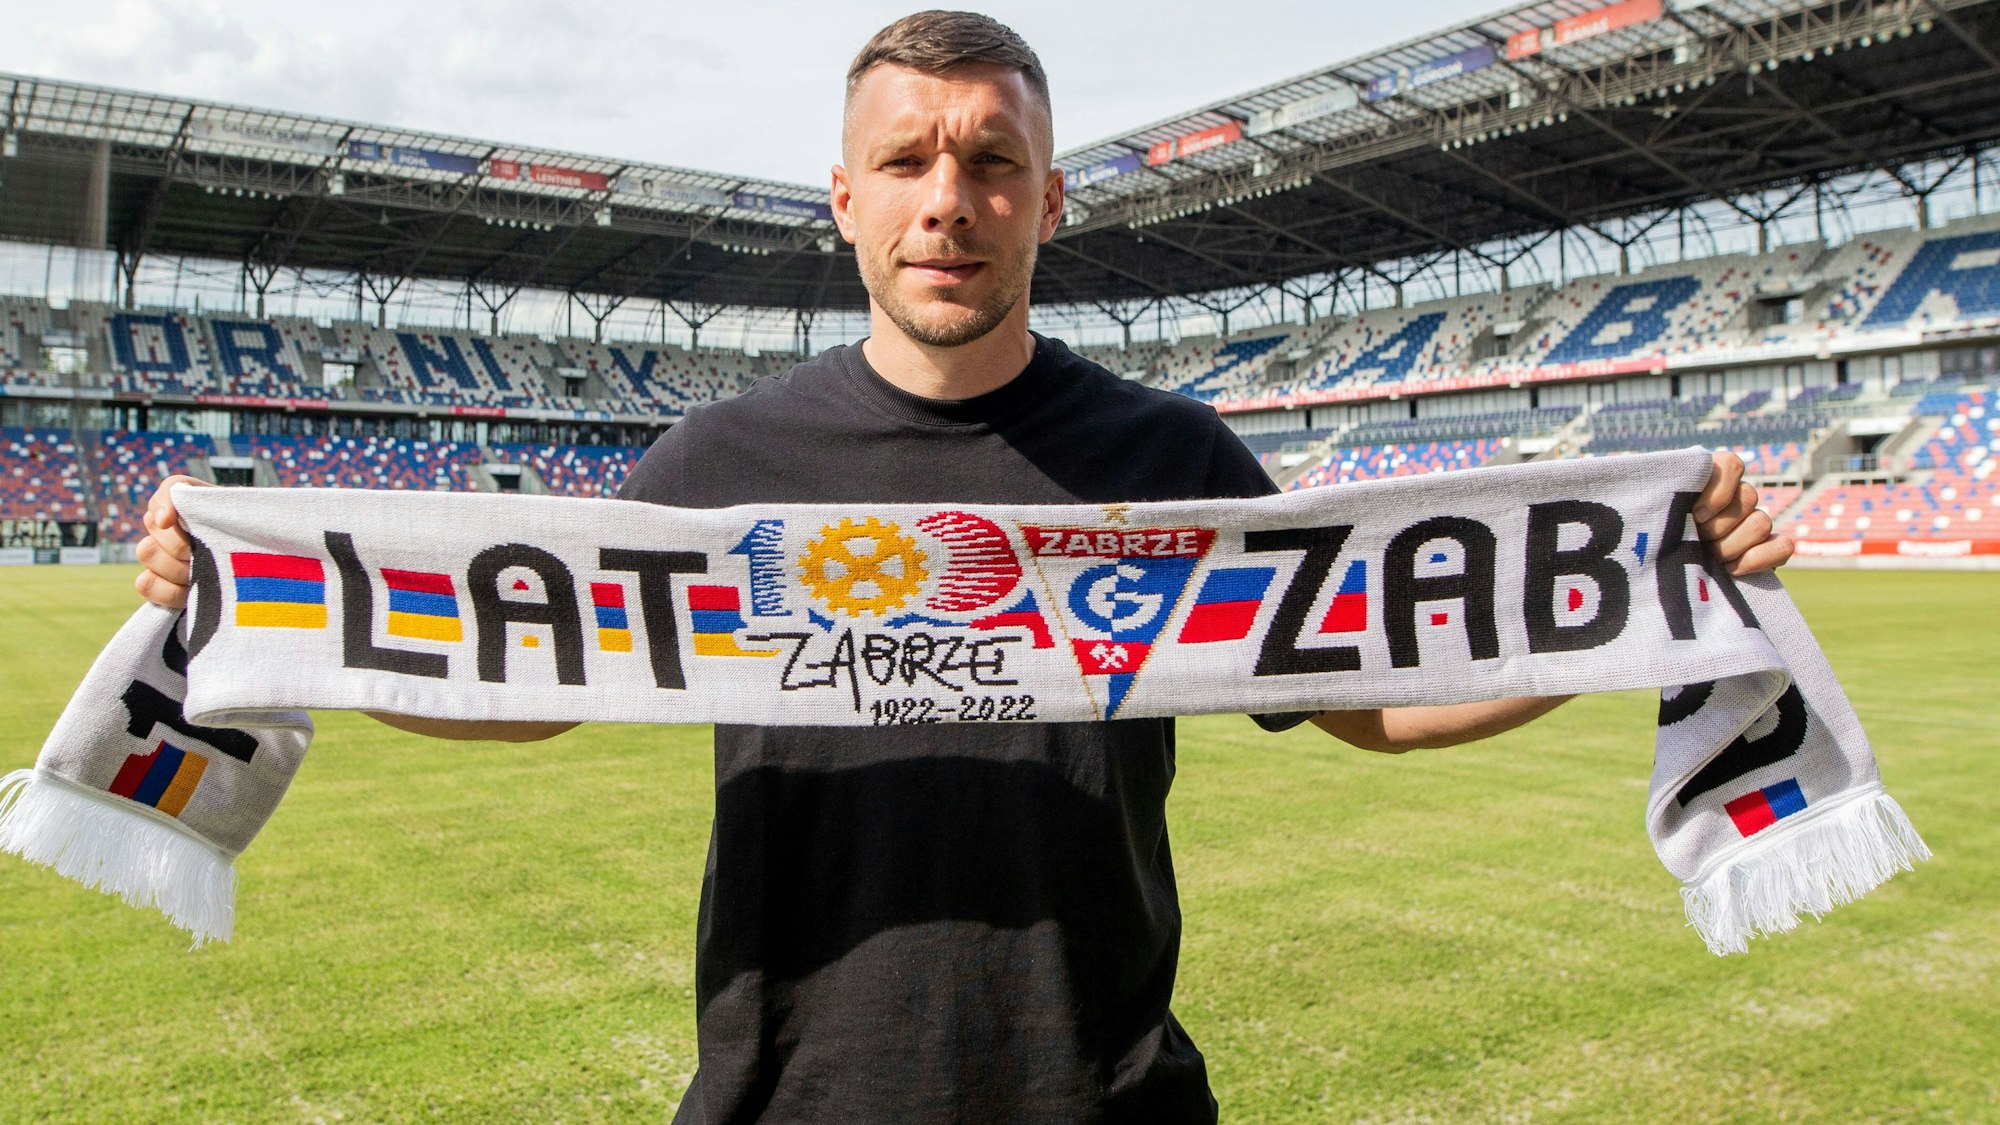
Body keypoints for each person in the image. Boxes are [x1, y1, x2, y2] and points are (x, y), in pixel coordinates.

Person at [133, 12, 1793, 1123]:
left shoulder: (1168, 465)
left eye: (993, 160)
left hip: (1110, 1089)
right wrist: (275, 615)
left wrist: (1644, 596)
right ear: (843, 202)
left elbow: (1379, 707)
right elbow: (524, 690)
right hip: (787, 1091)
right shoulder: (719, 466)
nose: (953, 199)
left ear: (1048, 199)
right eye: (913, 162)